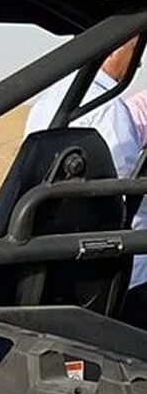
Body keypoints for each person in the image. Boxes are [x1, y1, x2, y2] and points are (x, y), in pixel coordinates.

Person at [24, 39, 147, 293]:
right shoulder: (109, 110)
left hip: (59, 255)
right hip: (122, 271)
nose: (138, 64)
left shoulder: (51, 100)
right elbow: (129, 193)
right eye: (136, 51)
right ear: (114, 48)